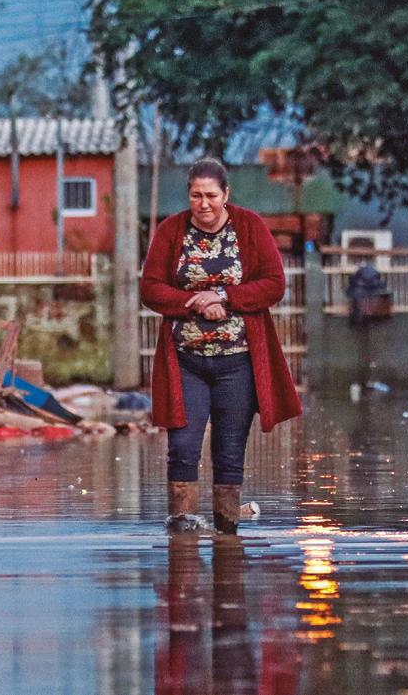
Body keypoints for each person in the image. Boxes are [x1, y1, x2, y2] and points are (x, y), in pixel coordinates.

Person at [141, 158, 302, 534]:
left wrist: (224, 297)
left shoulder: (250, 227)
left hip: (238, 362)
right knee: (183, 448)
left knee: (229, 454)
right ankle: (181, 536)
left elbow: (273, 283)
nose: (204, 203)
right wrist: (193, 301)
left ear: (226, 195)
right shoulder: (171, 231)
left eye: (211, 195)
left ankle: (227, 539)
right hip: (186, 361)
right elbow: (150, 288)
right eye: (195, 195)